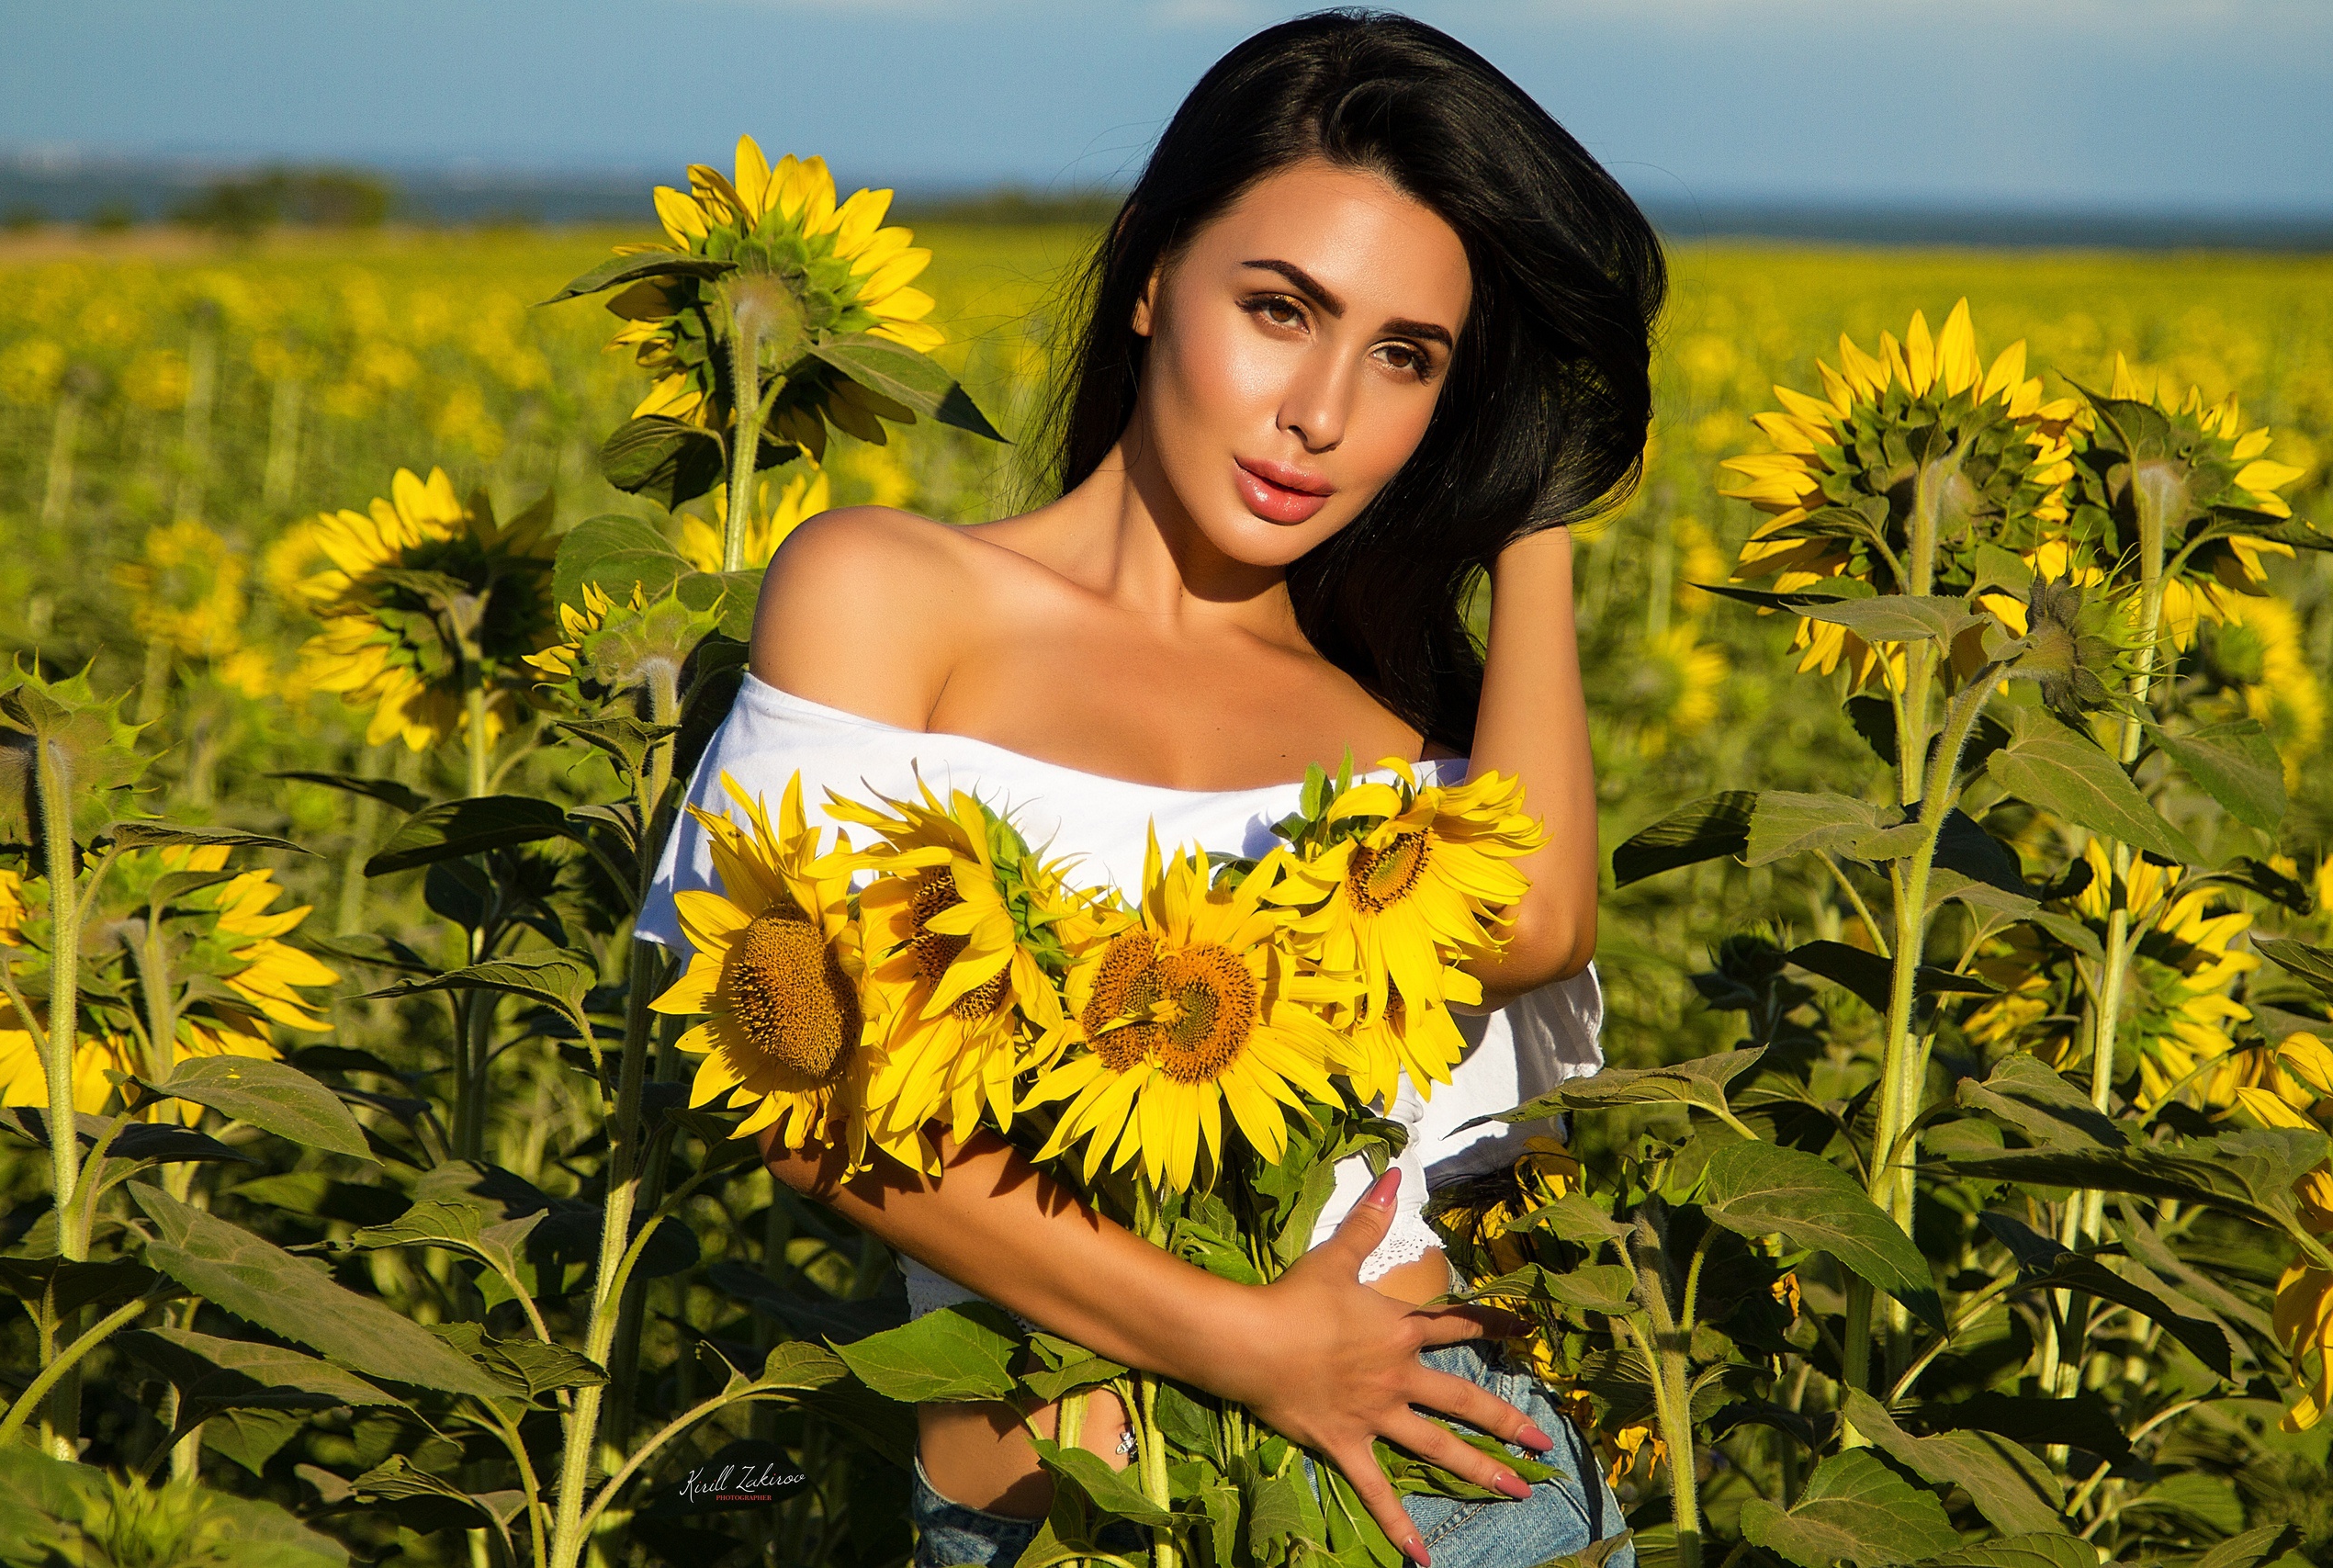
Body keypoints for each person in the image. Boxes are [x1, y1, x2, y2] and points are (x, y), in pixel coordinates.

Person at [635, 12, 1664, 1565]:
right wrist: (1245, 1344)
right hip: (1054, 1520)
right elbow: (809, 1089)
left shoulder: (1409, 725)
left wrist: (1536, 507)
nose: (1321, 412)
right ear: (1147, 281)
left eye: (1408, 359)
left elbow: (1535, 921)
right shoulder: (894, 594)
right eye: (1279, 308)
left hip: (1458, 1511)